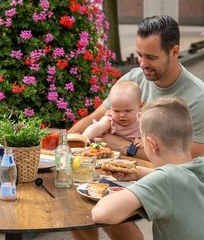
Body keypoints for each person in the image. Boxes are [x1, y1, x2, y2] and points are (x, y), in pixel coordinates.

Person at [71, 15, 204, 240]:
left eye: (151, 57)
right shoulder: (135, 78)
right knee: (80, 200)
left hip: (160, 187)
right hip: (143, 177)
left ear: (174, 52)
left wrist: (123, 147)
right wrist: (72, 139)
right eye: (140, 55)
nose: (142, 63)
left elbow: (181, 163)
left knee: (98, 207)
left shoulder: (198, 98)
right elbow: (96, 117)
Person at [92, 96, 204, 240]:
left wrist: (145, 181)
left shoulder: (165, 180)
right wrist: (139, 172)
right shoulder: (199, 164)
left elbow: (101, 214)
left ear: (152, 144)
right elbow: (182, 176)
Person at [82, 80, 142, 146]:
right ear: (111, 108)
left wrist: (143, 141)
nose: (122, 115)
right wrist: (85, 137)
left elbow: (152, 134)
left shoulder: (142, 120)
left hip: (131, 154)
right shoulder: (110, 121)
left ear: (140, 107)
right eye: (116, 111)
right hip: (111, 154)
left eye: (128, 111)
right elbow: (97, 128)